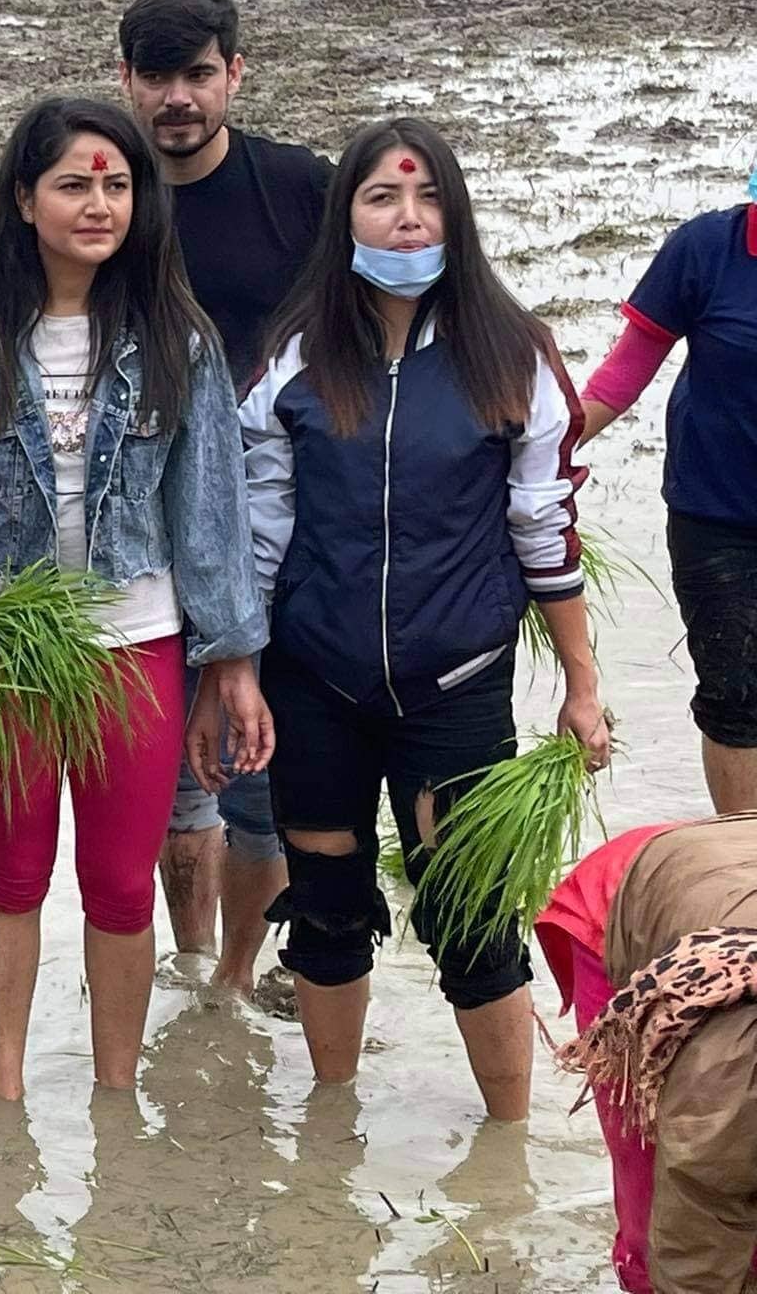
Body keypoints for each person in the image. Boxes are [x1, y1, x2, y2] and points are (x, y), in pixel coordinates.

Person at [0, 97, 272, 1097]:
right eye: (72, 184)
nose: (97, 204)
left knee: (119, 884)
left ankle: (111, 1095)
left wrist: (233, 668)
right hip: (1, 645)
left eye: (116, 185)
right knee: (8, 872)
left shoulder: (176, 343)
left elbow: (209, 519)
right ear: (22, 199)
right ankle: (3, 1097)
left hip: (133, 644)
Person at [242, 117, 610, 1120]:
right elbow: (259, 532)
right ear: (343, 217)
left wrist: (580, 688)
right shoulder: (294, 355)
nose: (405, 221)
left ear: (455, 214)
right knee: (322, 908)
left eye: (426, 199)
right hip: (311, 680)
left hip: (453, 687)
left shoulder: (513, 354)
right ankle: (331, 1127)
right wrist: (229, 670)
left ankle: (507, 1147)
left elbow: (543, 527)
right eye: (380, 199)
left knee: (470, 915)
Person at [119, 0, 334, 995]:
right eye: (155, 77)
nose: (176, 99)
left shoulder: (297, 187)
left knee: (254, 759)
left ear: (233, 75)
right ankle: (192, 959)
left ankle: (244, 975)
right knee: (169, 780)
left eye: (196, 75)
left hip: (271, 515)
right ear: (123, 80)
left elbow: (389, 290)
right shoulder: (105, 191)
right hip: (135, 516)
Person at [578, 189, 757, 814]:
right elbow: (626, 371)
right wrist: (538, 456)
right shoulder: (709, 248)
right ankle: (743, 876)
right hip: (718, 522)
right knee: (736, 698)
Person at [546, 815, 757, 1294]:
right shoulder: (731, 1068)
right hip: (628, 898)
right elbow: (696, 1247)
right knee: (665, 1211)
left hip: (727, 876)